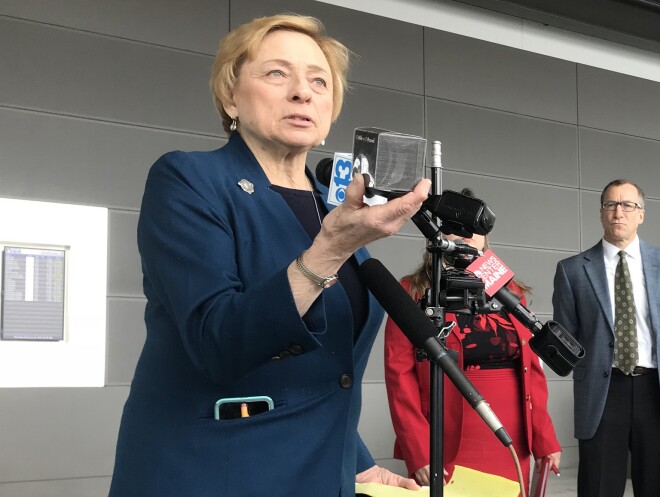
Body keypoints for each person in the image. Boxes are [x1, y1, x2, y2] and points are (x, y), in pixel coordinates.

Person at [108, 14, 428, 497]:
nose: (303, 91)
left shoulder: (334, 205)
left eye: (319, 81)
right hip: (210, 472)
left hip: (321, 474)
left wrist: (356, 460)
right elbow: (218, 342)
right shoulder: (189, 181)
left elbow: (330, 373)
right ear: (231, 96)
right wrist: (329, 252)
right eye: (277, 73)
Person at [384, 203, 562, 490]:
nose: (464, 235)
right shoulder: (413, 292)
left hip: (512, 438)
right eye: (455, 226)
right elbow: (399, 377)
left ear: (485, 237)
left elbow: (532, 371)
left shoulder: (510, 292)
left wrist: (544, 438)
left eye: (473, 228)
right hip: (448, 441)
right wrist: (419, 451)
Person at [552, 179, 660, 497]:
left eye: (628, 205)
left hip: (657, 391)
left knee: (657, 488)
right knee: (598, 488)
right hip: (602, 394)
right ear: (601, 213)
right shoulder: (572, 271)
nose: (619, 212)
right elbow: (566, 337)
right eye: (610, 204)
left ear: (641, 214)